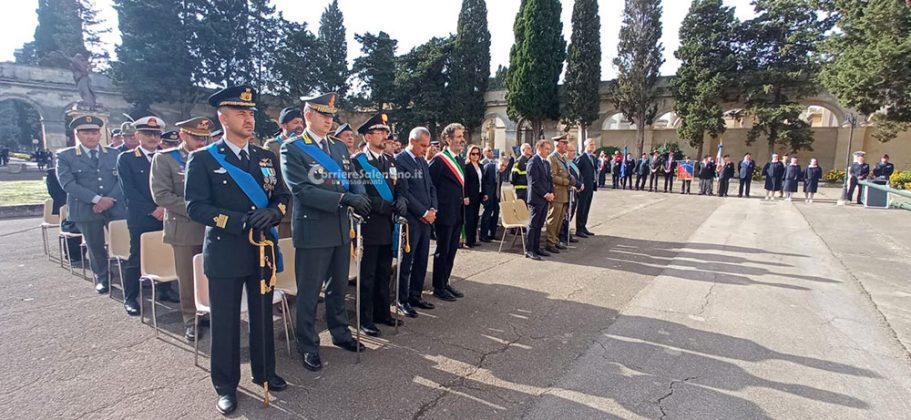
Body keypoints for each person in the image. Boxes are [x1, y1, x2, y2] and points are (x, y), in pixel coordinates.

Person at [185, 86, 290, 414]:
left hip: (262, 251)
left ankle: (265, 373)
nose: (249, 118)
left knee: (262, 316)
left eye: (251, 113)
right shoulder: (203, 159)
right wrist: (241, 221)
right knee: (226, 322)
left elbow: (282, 197)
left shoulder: (265, 157)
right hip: (226, 250)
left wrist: (273, 213)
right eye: (241, 113)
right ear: (223, 117)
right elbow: (195, 207)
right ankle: (226, 385)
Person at [279, 92, 369, 372]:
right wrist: (343, 200)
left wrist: (360, 197)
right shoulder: (293, 148)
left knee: (338, 286)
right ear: (308, 115)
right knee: (309, 291)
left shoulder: (339, 148)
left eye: (331, 115)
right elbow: (301, 190)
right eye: (323, 115)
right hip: (313, 230)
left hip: (341, 229)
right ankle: (308, 343)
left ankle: (340, 332)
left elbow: (353, 178)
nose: (329, 121)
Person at [150, 117, 211, 342]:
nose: (201, 142)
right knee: (188, 277)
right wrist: (198, 209)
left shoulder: (212, 156)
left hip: (212, 226)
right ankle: (191, 320)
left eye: (205, 137)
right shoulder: (166, 159)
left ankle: (208, 310)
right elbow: (162, 195)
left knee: (211, 274)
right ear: (183, 135)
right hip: (184, 227)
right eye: (196, 137)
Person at [349, 113, 408, 337]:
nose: (385, 135)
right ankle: (365, 318)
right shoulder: (357, 162)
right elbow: (356, 192)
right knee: (367, 275)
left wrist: (401, 199)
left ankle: (382, 312)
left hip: (389, 226)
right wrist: (382, 206)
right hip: (370, 225)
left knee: (385, 271)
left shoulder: (391, 160)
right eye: (380, 132)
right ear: (367, 136)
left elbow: (400, 186)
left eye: (386, 132)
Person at [55, 115, 127, 295]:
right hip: (85, 208)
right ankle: (102, 277)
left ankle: (128, 276)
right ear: (77, 134)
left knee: (124, 241)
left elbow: (123, 180)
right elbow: (68, 184)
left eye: (95, 132)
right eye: (86, 132)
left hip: (115, 205)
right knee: (95, 245)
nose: (91, 136)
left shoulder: (114, 154)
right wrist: (96, 199)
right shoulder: (66, 156)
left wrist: (108, 199)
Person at [117, 116, 174, 315]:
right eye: (148, 133)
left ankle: (165, 290)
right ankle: (130, 297)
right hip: (141, 217)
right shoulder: (127, 158)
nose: (152, 138)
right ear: (137, 135)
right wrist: (154, 209)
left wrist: (165, 208)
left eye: (156, 133)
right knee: (136, 258)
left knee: (167, 252)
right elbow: (130, 192)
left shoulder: (167, 156)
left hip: (167, 214)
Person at [395, 127, 438, 318]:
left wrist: (433, 209)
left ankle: (416, 295)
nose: (425, 149)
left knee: (421, 259)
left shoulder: (422, 161)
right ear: (412, 141)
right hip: (412, 219)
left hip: (426, 218)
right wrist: (422, 212)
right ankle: (402, 299)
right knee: (407, 260)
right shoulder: (400, 161)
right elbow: (405, 192)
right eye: (422, 146)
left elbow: (431, 187)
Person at [428, 123, 468, 301]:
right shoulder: (439, 160)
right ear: (448, 139)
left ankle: (445, 282)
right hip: (444, 213)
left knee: (452, 251)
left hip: (457, 212)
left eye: (462, 136)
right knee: (442, 251)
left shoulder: (460, 159)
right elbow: (431, 186)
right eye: (458, 136)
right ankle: (438, 286)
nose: (462, 139)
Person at [263, 107, 304, 239]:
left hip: (304, 206)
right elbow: (270, 177)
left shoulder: (305, 145)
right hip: (285, 208)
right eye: (295, 123)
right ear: (283, 125)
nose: (300, 126)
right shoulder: (273, 146)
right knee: (286, 246)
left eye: (301, 123)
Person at [46, 159, 83, 266]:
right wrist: (68, 203)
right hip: (64, 205)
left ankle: (81, 252)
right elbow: (54, 192)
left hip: (81, 203)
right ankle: (72, 254)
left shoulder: (77, 171)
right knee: (70, 227)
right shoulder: (52, 173)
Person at [525, 140, 554, 261]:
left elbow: (549, 180)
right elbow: (534, 182)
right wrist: (545, 194)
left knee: (539, 224)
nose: (548, 151)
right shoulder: (533, 162)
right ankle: (529, 250)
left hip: (545, 198)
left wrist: (551, 192)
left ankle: (536, 248)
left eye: (549, 149)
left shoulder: (546, 163)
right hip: (536, 199)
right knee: (533, 225)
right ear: (539, 148)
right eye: (546, 149)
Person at [545, 135, 571, 253]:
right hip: (556, 193)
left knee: (560, 219)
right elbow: (552, 176)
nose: (566, 146)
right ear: (557, 145)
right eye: (564, 143)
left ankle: (555, 240)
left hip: (564, 193)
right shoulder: (552, 158)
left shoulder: (563, 158)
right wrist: (566, 182)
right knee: (553, 219)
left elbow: (567, 174)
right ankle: (550, 242)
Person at [480, 155, 507, 243]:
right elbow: (482, 181)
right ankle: (483, 235)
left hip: (496, 196)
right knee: (487, 214)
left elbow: (499, 183)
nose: (503, 167)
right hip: (488, 195)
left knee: (495, 214)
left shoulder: (501, 172)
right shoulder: (489, 167)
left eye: (505, 166)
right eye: (502, 165)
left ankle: (492, 234)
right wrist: (484, 193)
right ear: (498, 162)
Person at [574, 139, 597, 238]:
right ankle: (579, 228)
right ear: (585, 146)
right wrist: (579, 184)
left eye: (594, 145)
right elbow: (576, 172)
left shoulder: (592, 158)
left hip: (590, 186)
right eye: (590, 144)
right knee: (581, 207)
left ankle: (583, 226)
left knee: (587, 207)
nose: (593, 146)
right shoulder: (581, 157)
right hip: (583, 187)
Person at [561, 143, 583, 244]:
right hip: (568, 192)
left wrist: (580, 184)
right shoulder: (565, 163)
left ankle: (567, 233)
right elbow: (569, 177)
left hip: (575, 192)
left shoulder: (573, 163)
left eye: (574, 150)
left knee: (570, 214)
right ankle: (563, 235)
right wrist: (577, 185)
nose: (574, 153)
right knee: (565, 214)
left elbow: (578, 175)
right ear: (565, 152)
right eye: (571, 151)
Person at [463, 144, 484, 248]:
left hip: (478, 195)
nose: (475, 156)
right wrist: (465, 196)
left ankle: (473, 239)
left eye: (477, 154)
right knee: (469, 219)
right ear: (469, 154)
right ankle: (468, 241)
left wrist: (484, 194)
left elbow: (482, 181)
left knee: (476, 218)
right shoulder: (467, 167)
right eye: (473, 154)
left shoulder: (481, 166)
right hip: (470, 195)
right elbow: (465, 183)